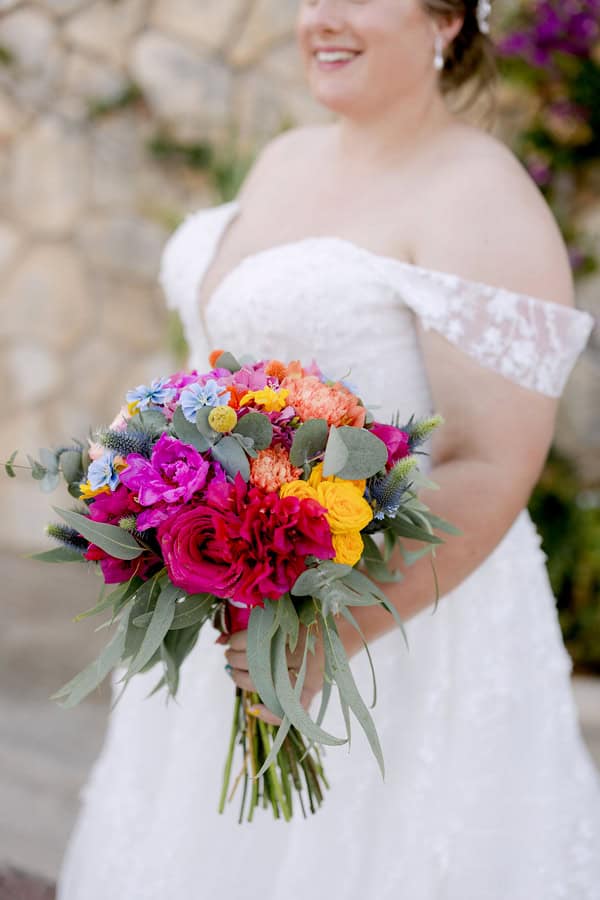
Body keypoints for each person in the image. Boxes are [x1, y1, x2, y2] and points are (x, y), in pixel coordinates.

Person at [57, 1, 600, 898]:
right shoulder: (286, 157)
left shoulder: (481, 194)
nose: (322, 17)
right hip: (231, 613)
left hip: (390, 630)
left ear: (449, 19)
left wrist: (327, 639)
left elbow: (491, 461)